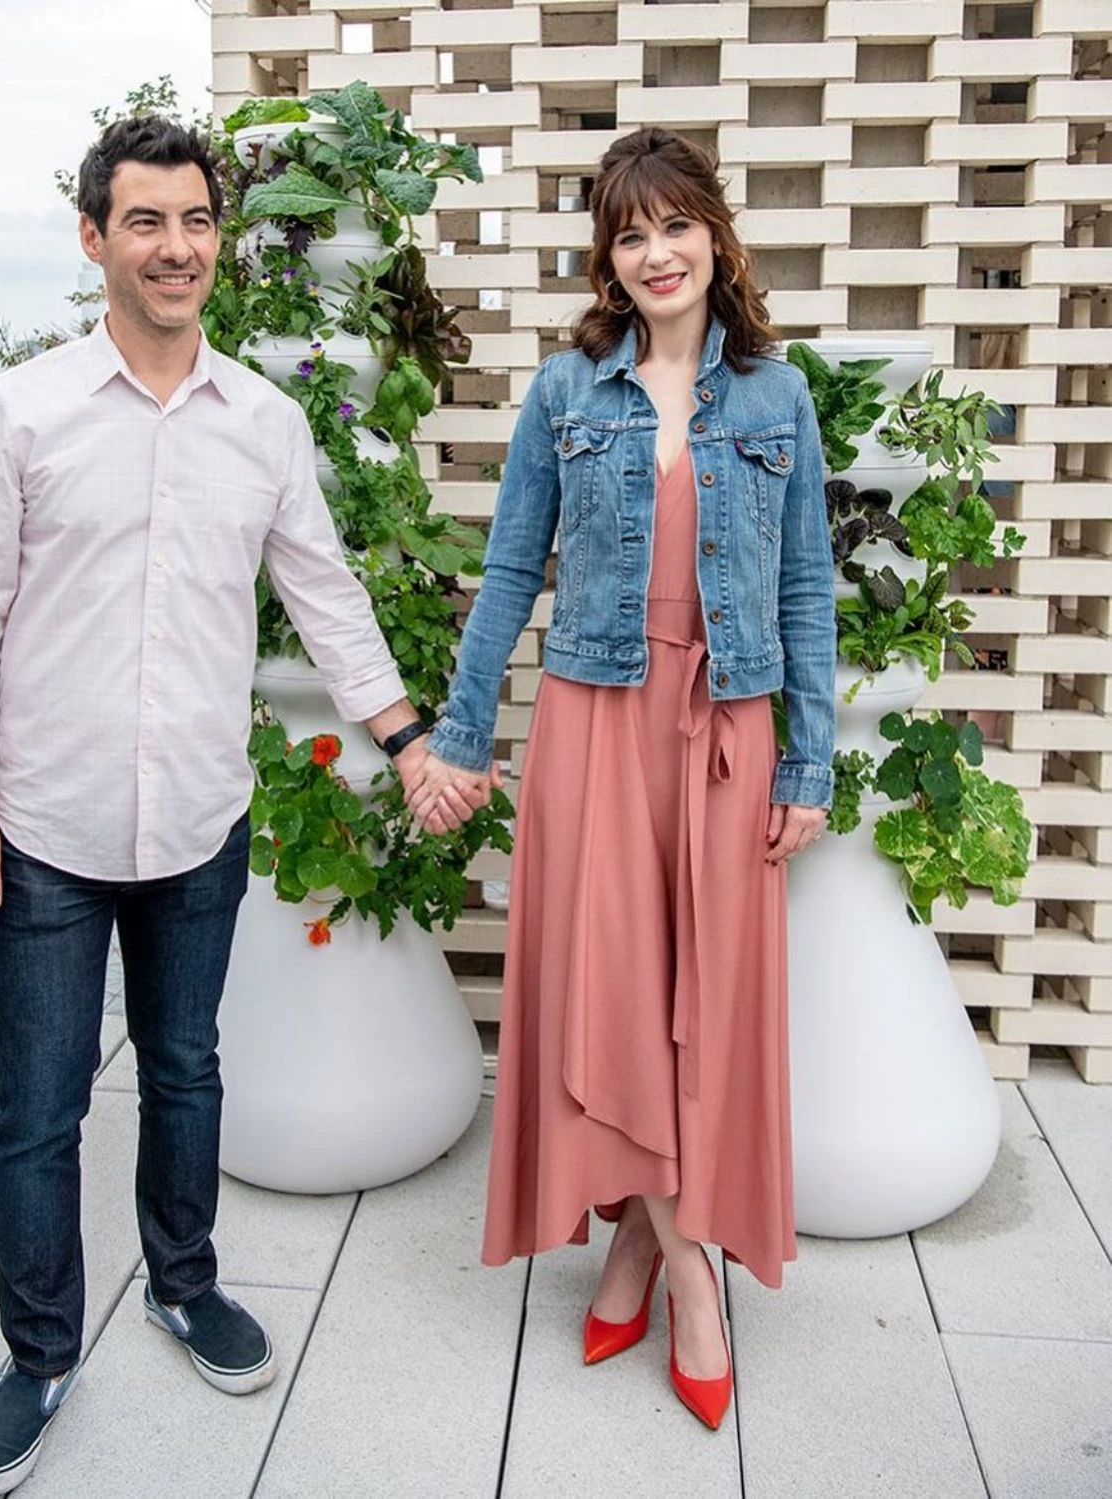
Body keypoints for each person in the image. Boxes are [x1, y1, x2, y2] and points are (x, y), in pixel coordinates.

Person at [0, 115, 482, 1497]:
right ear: (94, 238)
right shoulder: (20, 412)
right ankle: (38, 1354)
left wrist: (409, 742)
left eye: (194, 221)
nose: (175, 248)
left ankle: (184, 1284)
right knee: (37, 1106)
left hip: (196, 820)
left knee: (186, 1070)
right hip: (46, 825)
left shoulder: (266, 422)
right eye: (145, 222)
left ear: (216, 239)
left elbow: (326, 598)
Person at [409, 127, 836, 1429]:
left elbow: (804, 589)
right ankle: (692, 1274)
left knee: (698, 1005)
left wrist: (808, 760)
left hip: (724, 725)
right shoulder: (565, 391)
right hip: (595, 718)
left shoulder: (776, 397)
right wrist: (461, 733)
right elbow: (508, 570)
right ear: (607, 256)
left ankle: (643, 1245)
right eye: (628, 233)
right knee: (611, 995)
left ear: (715, 236)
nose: (654, 253)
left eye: (674, 226)